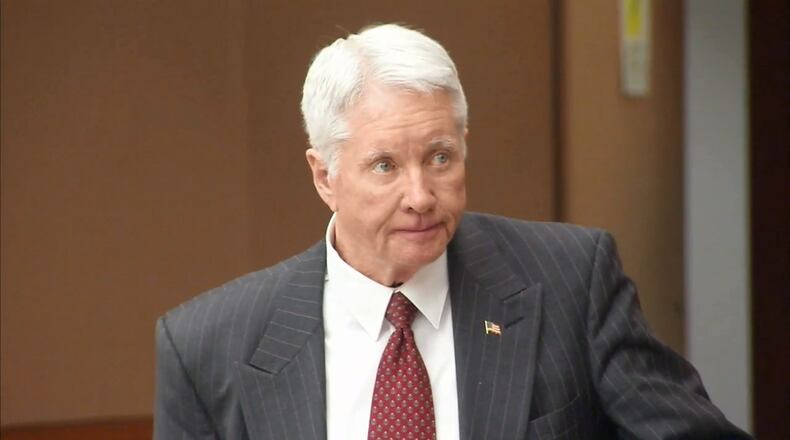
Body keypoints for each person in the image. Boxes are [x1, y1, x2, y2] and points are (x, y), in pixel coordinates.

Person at [154, 24, 750, 440]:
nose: (420, 196)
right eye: (385, 165)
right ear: (324, 176)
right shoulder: (209, 346)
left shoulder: (573, 281)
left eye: (440, 157)